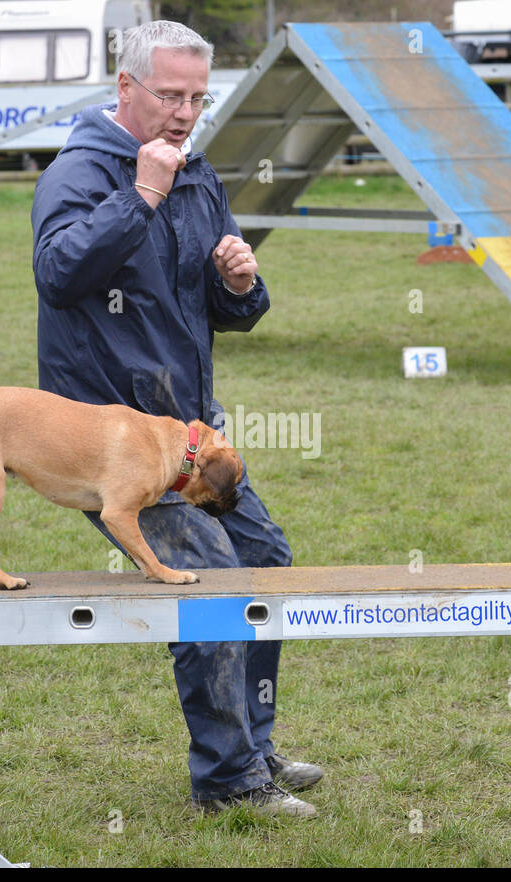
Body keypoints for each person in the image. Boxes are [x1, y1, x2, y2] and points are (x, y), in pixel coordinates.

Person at [30, 20, 322, 817]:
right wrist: (142, 196)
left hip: (193, 442)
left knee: (265, 563)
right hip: (115, 446)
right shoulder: (79, 173)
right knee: (215, 588)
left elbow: (223, 314)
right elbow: (58, 274)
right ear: (126, 89)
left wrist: (239, 282)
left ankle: (254, 747)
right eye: (171, 95)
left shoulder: (198, 176)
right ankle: (228, 782)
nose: (187, 112)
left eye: (199, 96)